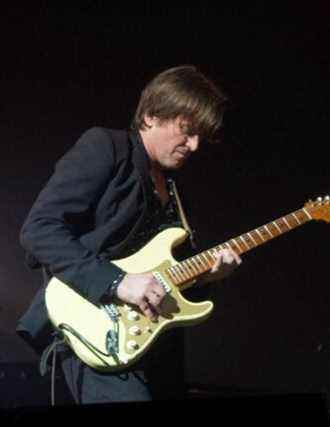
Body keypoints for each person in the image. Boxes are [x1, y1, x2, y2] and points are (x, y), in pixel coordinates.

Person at [17, 65, 242, 403]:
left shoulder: (174, 190)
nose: (194, 145)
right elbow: (38, 230)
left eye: (201, 136)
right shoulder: (107, 147)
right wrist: (116, 281)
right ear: (151, 116)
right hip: (96, 324)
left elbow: (167, 273)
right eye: (187, 130)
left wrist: (209, 277)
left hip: (155, 339)